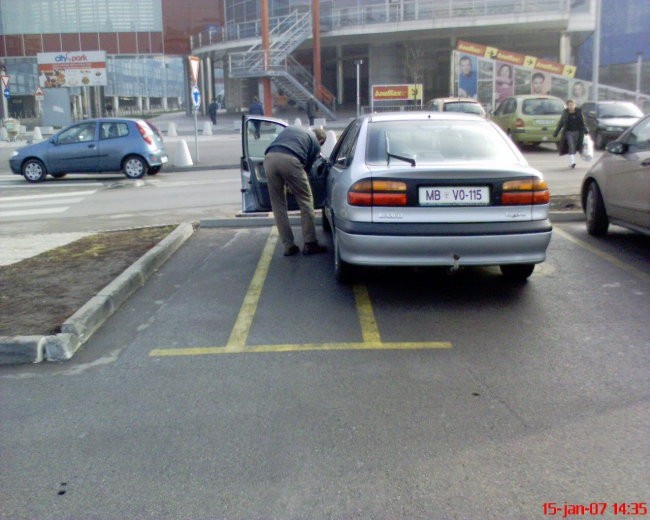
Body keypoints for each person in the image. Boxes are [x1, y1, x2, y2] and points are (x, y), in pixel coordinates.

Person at [263, 126, 328, 256]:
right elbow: (305, 170)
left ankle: (289, 246)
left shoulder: (293, 129)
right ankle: (310, 243)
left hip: (269, 158)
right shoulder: (315, 144)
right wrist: (294, 186)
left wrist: (288, 184)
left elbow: (281, 146)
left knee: (278, 205)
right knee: (306, 201)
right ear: (320, 140)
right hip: (291, 160)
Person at [553, 99, 589, 168]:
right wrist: (556, 132)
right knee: (571, 146)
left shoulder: (579, 112)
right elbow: (561, 123)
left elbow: (582, 122)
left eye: (572, 105)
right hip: (568, 132)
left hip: (578, 132)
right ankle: (573, 162)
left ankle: (581, 158)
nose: (571, 106)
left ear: (574, 105)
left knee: (579, 147)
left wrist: (585, 130)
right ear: (567, 106)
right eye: (569, 105)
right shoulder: (565, 113)